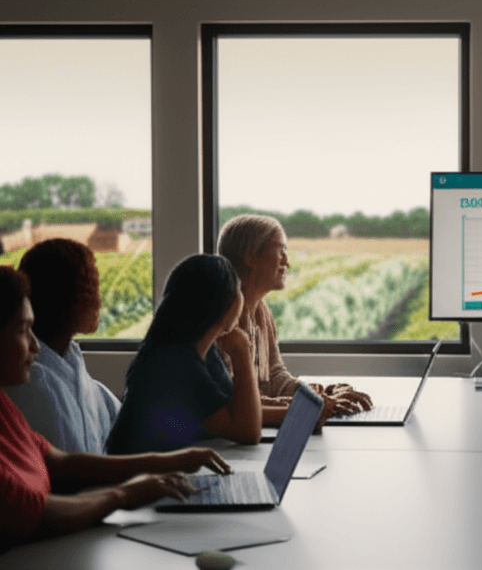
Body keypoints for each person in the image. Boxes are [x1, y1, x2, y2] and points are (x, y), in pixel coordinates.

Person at [0, 266, 231, 553]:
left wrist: (170, 461)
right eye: (22, 330)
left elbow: (62, 462)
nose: (35, 346)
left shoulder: (5, 408)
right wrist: (124, 494)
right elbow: (38, 513)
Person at [216, 214, 372, 427]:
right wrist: (310, 406)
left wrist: (318, 395)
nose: (287, 262)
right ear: (250, 257)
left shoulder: (261, 311)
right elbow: (234, 401)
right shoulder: (222, 320)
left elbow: (274, 377)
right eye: (281, 251)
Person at [105, 254, 262, 454]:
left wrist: (290, 413)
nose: (241, 296)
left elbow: (236, 410)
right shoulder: (173, 364)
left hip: (168, 467)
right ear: (219, 303)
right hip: (137, 473)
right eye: (237, 290)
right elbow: (247, 431)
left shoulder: (204, 351)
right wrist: (243, 353)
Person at [4, 239, 120, 454]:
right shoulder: (31, 386)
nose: (97, 299)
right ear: (58, 295)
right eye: (88, 287)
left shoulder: (80, 376)